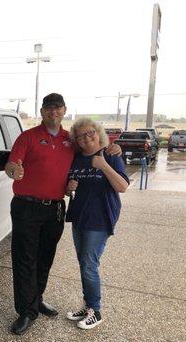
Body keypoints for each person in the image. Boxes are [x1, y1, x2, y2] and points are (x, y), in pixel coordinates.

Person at [4, 93, 121, 335]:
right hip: (27, 207)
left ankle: (36, 299)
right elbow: (11, 164)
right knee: (25, 259)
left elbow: (93, 145)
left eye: (57, 108)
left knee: (45, 257)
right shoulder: (28, 137)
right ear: (42, 111)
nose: (53, 112)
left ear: (64, 110)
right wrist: (13, 170)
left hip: (55, 208)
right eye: (48, 108)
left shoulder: (71, 140)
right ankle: (26, 311)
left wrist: (112, 147)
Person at [65, 118, 129, 330]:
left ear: (98, 132)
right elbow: (70, 187)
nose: (86, 138)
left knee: (90, 265)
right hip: (80, 217)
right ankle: (88, 306)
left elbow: (122, 187)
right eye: (80, 136)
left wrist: (103, 166)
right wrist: (68, 187)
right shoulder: (76, 158)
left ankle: (96, 310)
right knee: (84, 264)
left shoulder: (110, 154)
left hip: (100, 218)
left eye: (90, 132)